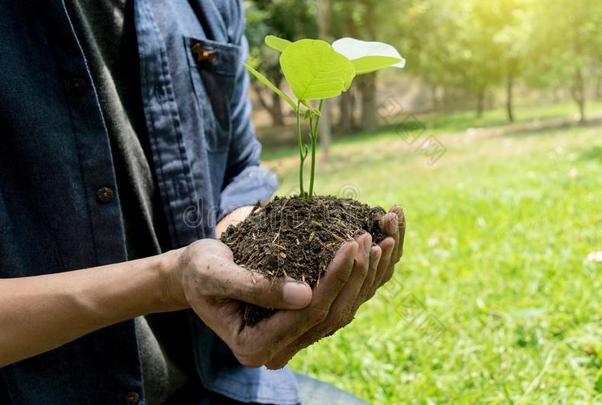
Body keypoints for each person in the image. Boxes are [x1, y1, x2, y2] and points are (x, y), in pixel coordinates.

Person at [0, 1, 405, 404]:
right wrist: (169, 281)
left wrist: (243, 260)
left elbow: (239, 169)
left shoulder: (211, 6)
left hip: (208, 381)